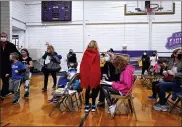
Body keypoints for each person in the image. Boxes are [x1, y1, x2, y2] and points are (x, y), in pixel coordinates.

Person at [80, 40, 101, 112]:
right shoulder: (97, 54)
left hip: (87, 74)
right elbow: (97, 66)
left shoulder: (86, 53)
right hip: (94, 74)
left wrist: (82, 74)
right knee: (94, 89)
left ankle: (86, 105)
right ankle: (93, 105)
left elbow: (83, 64)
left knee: (87, 89)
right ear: (96, 45)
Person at [0, 32, 20, 98]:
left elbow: (17, 54)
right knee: (3, 79)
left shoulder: (11, 45)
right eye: (2, 36)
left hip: (7, 65)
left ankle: (4, 92)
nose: (3, 37)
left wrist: (14, 60)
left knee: (5, 79)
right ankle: (5, 91)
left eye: (4, 36)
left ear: (7, 37)